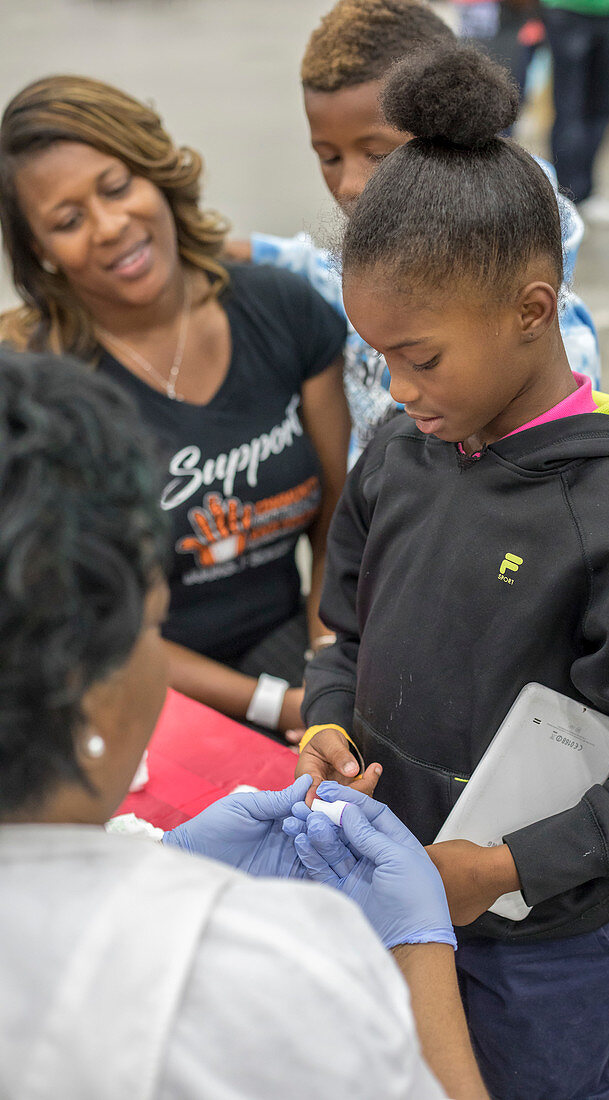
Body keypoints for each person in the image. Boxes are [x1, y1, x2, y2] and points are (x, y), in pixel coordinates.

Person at [295, 43, 609, 1099]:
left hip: (542, 960)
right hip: (389, 896)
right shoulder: (398, 453)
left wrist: (499, 870)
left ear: (532, 310)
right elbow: (344, 628)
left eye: (423, 357)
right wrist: (324, 720)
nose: (398, 390)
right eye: (381, 357)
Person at [0, 346, 489, 1100]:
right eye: (152, 631)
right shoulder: (249, 976)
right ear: (86, 692)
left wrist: (167, 856)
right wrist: (417, 949)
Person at [0, 76, 351, 740]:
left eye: (116, 187)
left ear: (157, 174)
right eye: (67, 222)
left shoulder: (280, 309)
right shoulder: (46, 398)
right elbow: (91, 624)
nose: (109, 227)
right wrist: (276, 706)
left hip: (292, 647)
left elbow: (337, 516)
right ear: (41, 251)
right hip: (131, 690)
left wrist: (326, 668)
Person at [238, 0, 600, 466]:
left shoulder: (552, 346)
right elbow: (324, 269)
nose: (348, 186)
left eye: (377, 154)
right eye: (329, 157)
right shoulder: (388, 260)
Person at [539, 0, 609, 224]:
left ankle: (585, 193)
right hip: (568, 12)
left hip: (608, 13)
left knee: (600, 110)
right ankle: (566, 199)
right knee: (570, 111)